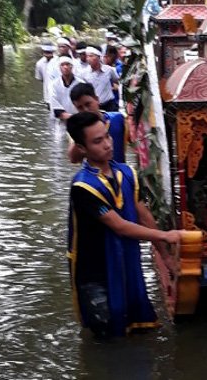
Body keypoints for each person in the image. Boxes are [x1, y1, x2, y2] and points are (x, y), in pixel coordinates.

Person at [66, 111, 185, 337]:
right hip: (96, 272)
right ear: (82, 148)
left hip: (126, 263)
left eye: (107, 137)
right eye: (97, 141)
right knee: (107, 333)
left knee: (139, 328)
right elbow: (119, 226)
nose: (108, 144)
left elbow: (144, 215)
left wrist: (166, 257)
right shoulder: (83, 187)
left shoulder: (126, 173)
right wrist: (165, 236)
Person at [69, 82, 126, 164]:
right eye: (80, 107)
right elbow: (73, 159)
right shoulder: (77, 129)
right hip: (93, 175)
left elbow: (138, 144)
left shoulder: (119, 119)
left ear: (97, 99)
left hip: (120, 174)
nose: (85, 110)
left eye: (88, 104)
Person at [83, 46, 119, 112]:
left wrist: (116, 87)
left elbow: (118, 81)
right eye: (87, 56)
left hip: (110, 105)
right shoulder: (84, 73)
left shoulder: (109, 70)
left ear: (98, 57)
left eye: (91, 56)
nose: (88, 59)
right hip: (94, 107)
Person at [49, 56, 84, 120]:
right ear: (59, 68)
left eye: (67, 64)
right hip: (62, 121)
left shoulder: (81, 83)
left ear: (72, 66)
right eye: (62, 65)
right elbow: (56, 108)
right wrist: (70, 117)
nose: (65, 67)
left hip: (79, 120)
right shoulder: (54, 85)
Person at [103, 45, 123, 110]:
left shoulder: (118, 68)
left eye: (105, 57)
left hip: (117, 102)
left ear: (111, 56)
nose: (103, 59)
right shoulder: (107, 67)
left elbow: (120, 85)